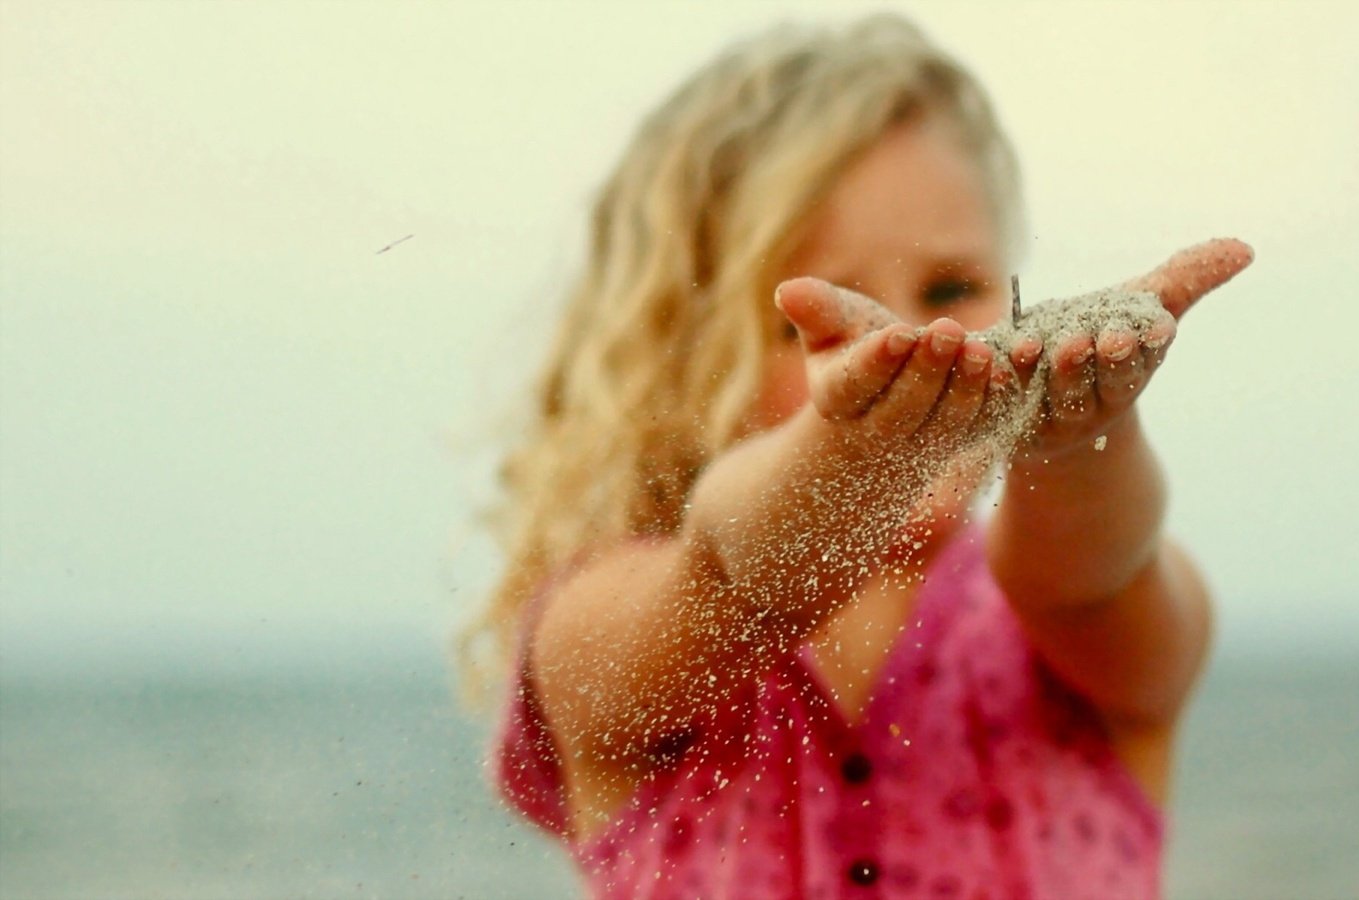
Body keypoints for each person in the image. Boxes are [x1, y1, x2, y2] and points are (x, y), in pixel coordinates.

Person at [459, 14, 1252, 899]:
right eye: (816, 318)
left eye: (953, 287)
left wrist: (1071, 437)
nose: (920, 339)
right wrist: (851, 455)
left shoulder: (1065, 623)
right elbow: (735, 569)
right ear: (683, 356)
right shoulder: (611, 630)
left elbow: (1090, 578)